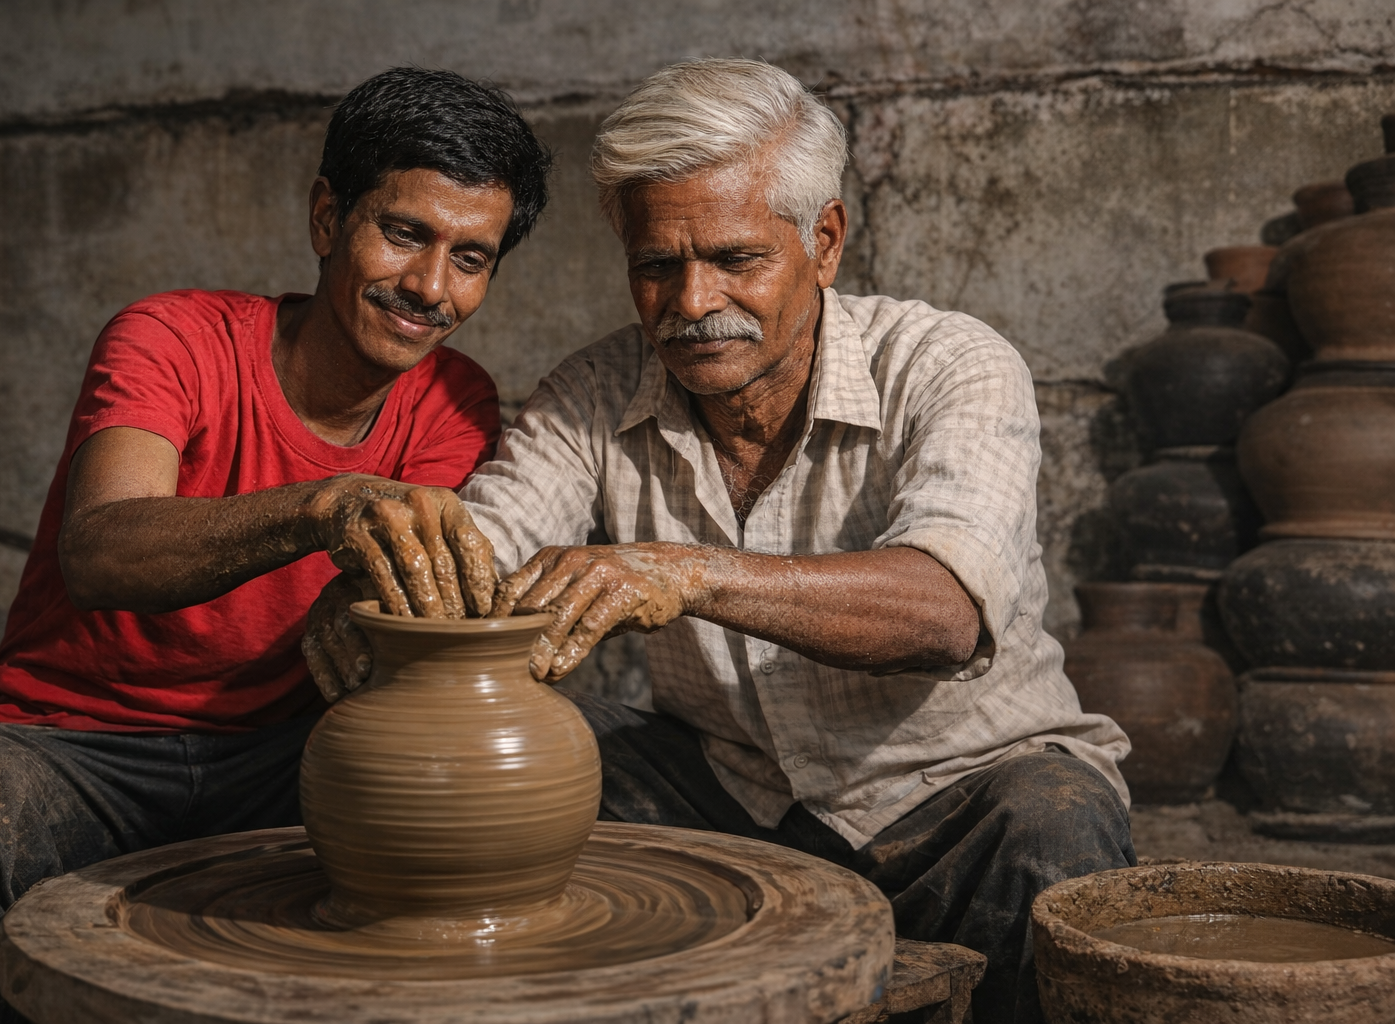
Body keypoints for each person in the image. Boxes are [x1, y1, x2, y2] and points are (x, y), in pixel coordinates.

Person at [306, 59, 1135, 1024]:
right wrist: (391, 595)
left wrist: (688, 573)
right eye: (656, 266)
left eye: (736, 259)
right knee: (502, 775)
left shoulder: (949, 365)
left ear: (823, 242)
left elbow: (943, 611)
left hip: (960, 795)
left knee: (1051, 828)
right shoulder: (592, 393)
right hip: (730, 790)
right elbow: (488, 542)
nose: (692, 302)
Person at [0, 67, 551, 1023]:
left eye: (470, 259)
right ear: (326, 219)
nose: (430, 287)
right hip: (73, 742)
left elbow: (393, 618)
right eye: (403, 234)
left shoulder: (454, 402)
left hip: (277, 753)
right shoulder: (173, 339)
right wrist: (322, 505)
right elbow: (101, 551)